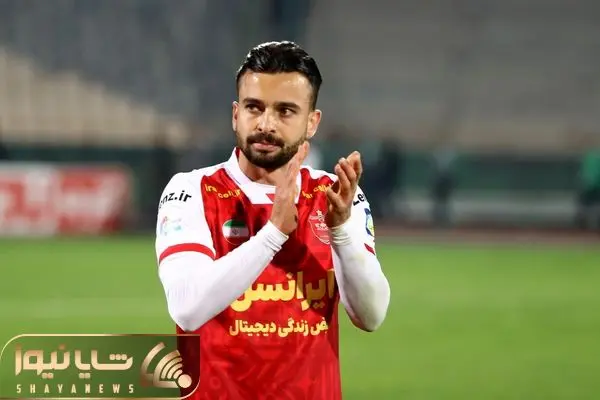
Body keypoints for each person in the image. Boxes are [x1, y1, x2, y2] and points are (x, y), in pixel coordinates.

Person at [155, 41, 391, 400]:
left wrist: (341, 230)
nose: (266, 124)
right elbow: (187, 308)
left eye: (285, 111)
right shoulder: (191, 191)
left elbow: (371, 315)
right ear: (235, 114)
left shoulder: (335, 195)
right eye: (254, 107)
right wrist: (273, 233)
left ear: (312, 122)